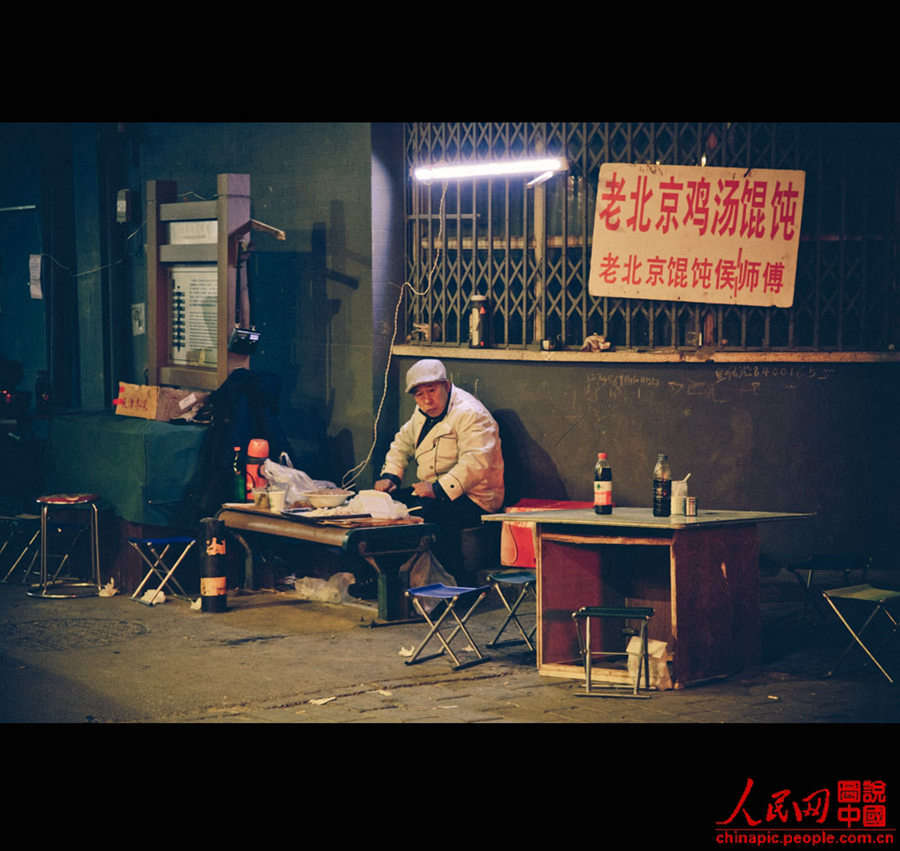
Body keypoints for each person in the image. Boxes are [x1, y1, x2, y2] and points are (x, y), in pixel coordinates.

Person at [374, 358, 504, 584]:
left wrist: (438, 489)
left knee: (424, 515)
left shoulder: (470, 413)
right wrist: (391, 475)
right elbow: (402, 443)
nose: (427, 400)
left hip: (475, 497)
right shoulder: (422, 411)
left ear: (446, 385)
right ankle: (384, 581)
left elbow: (476, 462)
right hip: (434, 491)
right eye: (419, 394)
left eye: (432, 391)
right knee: (385, 507)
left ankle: (456, 586)